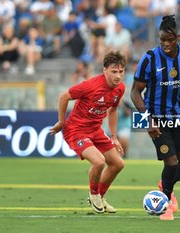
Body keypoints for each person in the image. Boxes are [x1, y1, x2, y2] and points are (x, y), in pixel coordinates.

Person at [131, 15, 180, 220]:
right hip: (158, 118)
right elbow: (135, 92)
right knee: (170, 163)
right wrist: (148, 118)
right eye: (162, 40)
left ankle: (165, 186)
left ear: (177, 37)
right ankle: (165, 203)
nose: (165, 44)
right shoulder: (149, 58)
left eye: (169, 40)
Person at [50, 51, 126, 214]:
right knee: (99, 162)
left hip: (95, 130)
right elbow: (64, 96)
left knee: (118, 164)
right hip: (76, 130)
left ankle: (101, 196)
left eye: (121, 71)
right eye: (114, 71)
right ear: (104, 70)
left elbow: (113, 110)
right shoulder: (90, 85)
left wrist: (114, 137)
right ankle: (93, 195)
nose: (118, 76)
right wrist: (62, 122)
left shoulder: (120, 88)